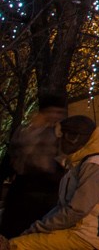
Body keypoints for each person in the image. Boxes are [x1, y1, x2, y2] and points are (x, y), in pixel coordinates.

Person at [3, 116, 99, 250]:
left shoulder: (96, 165)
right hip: (76, 231)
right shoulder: (79, 164)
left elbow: (76, 210)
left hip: (86, 236)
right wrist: (38, 226)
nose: (57, 144)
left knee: (17, 246)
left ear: (73, 139)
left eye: (60, 139)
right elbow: (62, 207)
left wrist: (39, 227)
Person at [1, 94, 68, 237]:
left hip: (45, 191)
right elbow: (12, 157)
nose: (57, 116)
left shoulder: (60, 133)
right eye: (54, 112)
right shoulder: (27, 131)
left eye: (60, 113)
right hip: (25, 190)